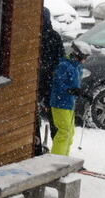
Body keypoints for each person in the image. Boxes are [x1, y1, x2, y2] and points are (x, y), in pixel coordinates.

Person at [49, 40, 91, 156]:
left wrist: (83, 93)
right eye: (84, 57)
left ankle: (64, 158)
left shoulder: (77, 68)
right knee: (64, 131)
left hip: (69, 103)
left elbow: (75, 86)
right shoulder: (64, 66)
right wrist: (70, 90)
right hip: (59, 103)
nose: (85, 60)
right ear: (78, 55)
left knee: (70, 132)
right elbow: (58, 84)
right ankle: (56, 159)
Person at [38, 7, 64, 149]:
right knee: (48, 115)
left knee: (49, 115)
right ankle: (40, 143)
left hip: (46, 82)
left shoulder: (47, 36)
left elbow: (60, 61)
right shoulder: (53, 36)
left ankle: (52, 144)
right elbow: (60, 59)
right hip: (46, 81)